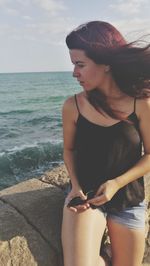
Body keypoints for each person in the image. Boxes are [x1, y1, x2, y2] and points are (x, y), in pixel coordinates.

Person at [61, 21, 150, 266]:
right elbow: (69, 149)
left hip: (128, 200)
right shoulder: (73, 106)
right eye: (73, 65)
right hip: (86, 199)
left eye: (80, 64)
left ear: (106, 63)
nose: (74, 73)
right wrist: (75, 187)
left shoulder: (140, 103)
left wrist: (116, 183)